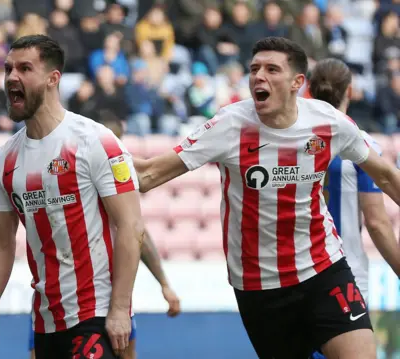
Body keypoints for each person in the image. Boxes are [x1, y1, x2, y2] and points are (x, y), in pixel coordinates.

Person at [133, 36, 400, 359]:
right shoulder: (229, 124)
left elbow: (385, 175)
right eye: (254, 68)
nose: (259, 76)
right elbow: (148, 175)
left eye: (272, 69)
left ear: (297, 83)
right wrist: (96, 157)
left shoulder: (329, 123)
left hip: (322, 268)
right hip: (259, 287)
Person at [0, 34, 145, 359]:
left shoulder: (95, 141)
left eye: (24, 68)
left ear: (53, 79)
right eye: (8, 69)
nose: (12, 78)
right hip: (46, 320)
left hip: (97, 310)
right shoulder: (6, 159)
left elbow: (131, 226)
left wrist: (120, 308)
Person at [26, 112, 181, 359]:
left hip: (101, 296)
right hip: (55, 295)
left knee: (125, 351)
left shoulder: (116, 169)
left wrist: (164, 284)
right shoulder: (74, 164)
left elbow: (137, 233)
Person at [308, 58, 400, 359]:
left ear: (308, 89)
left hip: (294, 271)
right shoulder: (363, 145)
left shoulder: (291, 142)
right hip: (345, 272)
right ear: (351, 90)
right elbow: (376, 222)